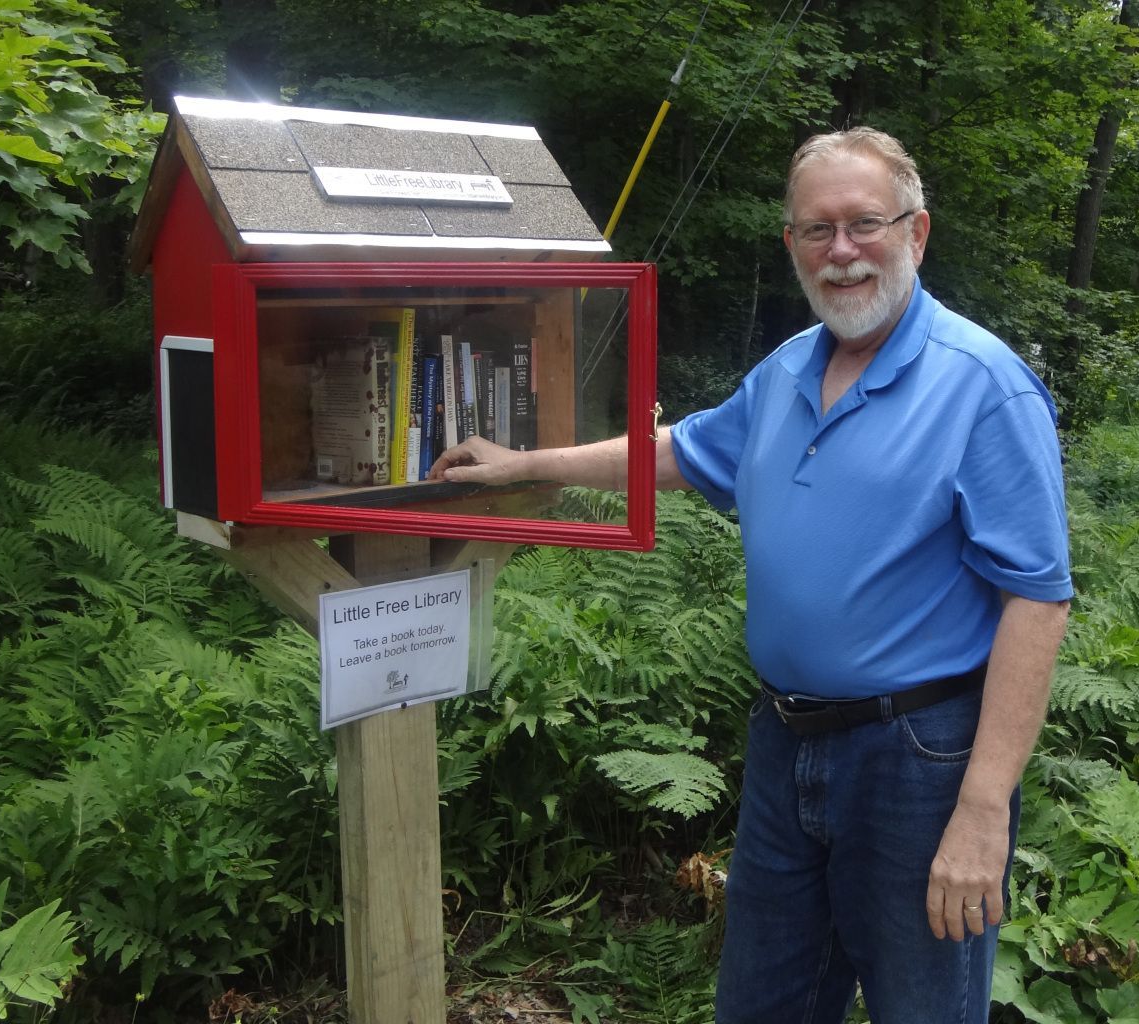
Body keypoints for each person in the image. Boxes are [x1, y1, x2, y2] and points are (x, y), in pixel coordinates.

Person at [429, 127, 1072, 1024]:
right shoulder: (785, 371)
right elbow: (676, 454)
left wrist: (982, 807)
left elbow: (1036, 601)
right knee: (764, 1004)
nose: (841, 252)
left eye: (864, 224)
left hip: (918, 764)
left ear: (916, 233)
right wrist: (520, 465)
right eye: (817, 230)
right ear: (791, 247)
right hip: (784, 745)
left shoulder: (983, 386)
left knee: (921, 1008)